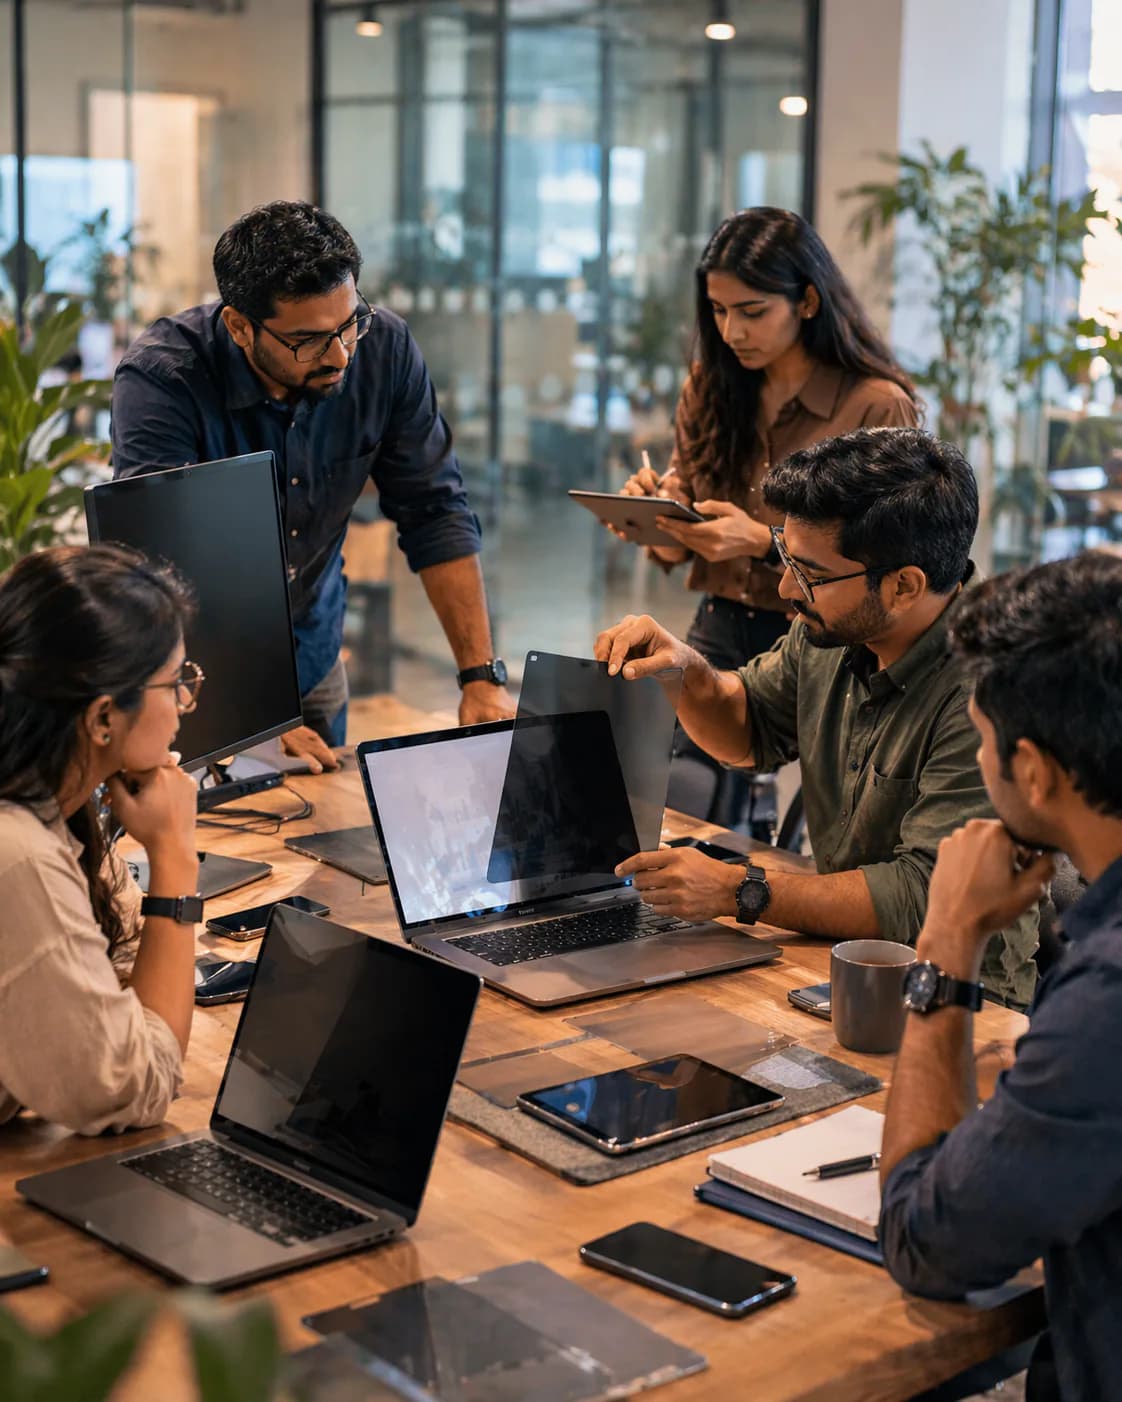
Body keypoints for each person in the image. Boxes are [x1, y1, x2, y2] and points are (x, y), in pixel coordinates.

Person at [594, 426, 1038, 1007]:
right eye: (784, 555)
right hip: (837, 962)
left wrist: (739, 889)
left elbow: (921, 893)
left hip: (959, 1001)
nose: (785, 587)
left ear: (905, 586)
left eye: (811, 575)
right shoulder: (833, 632)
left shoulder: (990, 689)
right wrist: (685, 671)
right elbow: (750, 727)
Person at [110, 201, 514, 772]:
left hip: (315, 652)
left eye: (351, 323)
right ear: (240, 327)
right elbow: (157, 566)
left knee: (323, 837)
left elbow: (435, 509)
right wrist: (251, 724)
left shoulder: (385, 352)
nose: (342, 353)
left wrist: (480, 676)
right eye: (309, 340)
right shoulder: (164, 379)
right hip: (199, 677)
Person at [877, 551, 1122, 1402]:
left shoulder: (1106, 1005)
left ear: (1036, 773)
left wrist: (946, 938)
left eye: (981, 741)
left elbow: (924, 1243)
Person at [615, 207, 919, 826]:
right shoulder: (711, 386)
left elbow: (887, 555)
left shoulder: (874, 404)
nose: (731, 331)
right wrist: (660, 522)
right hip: (725, 622)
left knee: (842, 814)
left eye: (752, 311)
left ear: (807, 301)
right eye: (719, 311)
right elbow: (686, 530)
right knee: (673, 798)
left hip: (830, 634)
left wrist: (760, 541)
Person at [0, 544, 202, 1135]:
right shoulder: (20, 855)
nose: (186, 703)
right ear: (103, 719)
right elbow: (135, 1084)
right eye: (176, 682)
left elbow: (115, 951)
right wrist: (173, 858)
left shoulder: (48, 796)